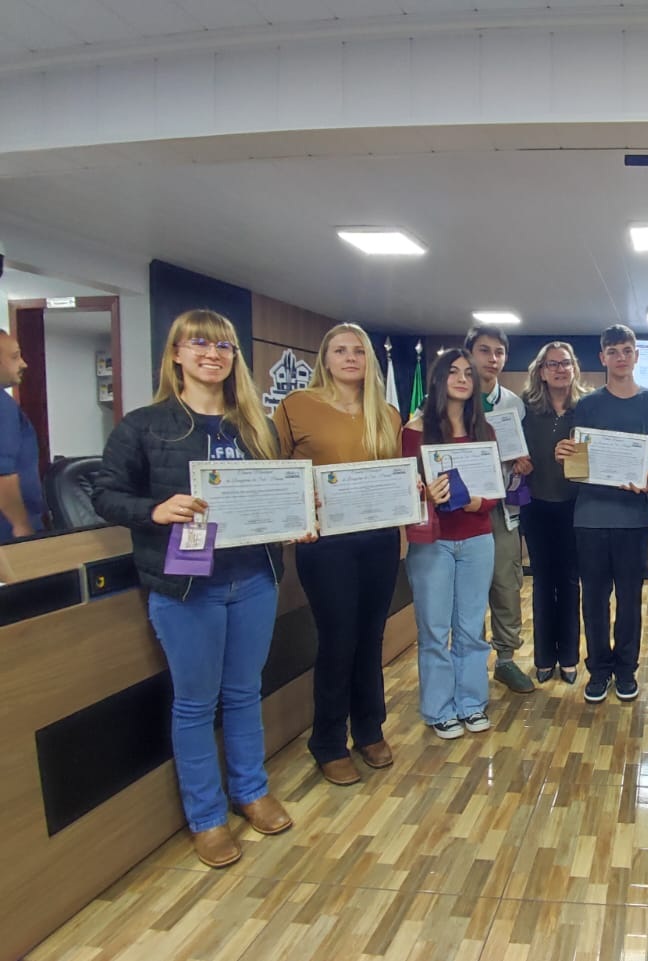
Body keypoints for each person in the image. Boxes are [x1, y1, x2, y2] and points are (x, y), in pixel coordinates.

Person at [92, 310, 291, 868]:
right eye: (199, 343)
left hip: (254, 578)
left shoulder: (256, 425)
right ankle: (207, 817)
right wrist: (154, 510)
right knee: (196, 703)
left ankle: (251, 791)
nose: (212, 353)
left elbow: (275, 492)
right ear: (176, 354)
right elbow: (104, 495)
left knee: (244, 691)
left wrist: (295, 514)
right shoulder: (143, 425)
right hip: (186, 587)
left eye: (224, 346)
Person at [274, 323, 402, 786]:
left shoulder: (387, 414)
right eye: (340, 350)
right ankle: (328, 742)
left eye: (359, 351)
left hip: (380, 538)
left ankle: (369, 729)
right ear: (325, 359)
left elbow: (393, 473)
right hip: (326, 545)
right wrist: (295, 509)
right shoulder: (296, 406)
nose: (350, 358)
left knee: (371, 636)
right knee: (338, 639)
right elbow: (275, 470)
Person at [556, 324, 648, 703]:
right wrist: (565, 456)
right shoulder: (586, 405)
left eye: (627, 350)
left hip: (633, 518)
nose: (621, 357)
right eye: (613, 351)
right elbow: (578, 463)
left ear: (637, 355)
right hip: (590, 517)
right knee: (594, 600)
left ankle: (626, 670)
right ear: (602, 357)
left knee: (631, 601)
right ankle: (599, 670)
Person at [403, 348, 500, 739]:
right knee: (434, 629)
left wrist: (479, 502)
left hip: (477, 538)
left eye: (468, 373)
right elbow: (405, 492)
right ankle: (439, 709)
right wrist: (425, 494)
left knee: (471, 628)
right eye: (453, 372)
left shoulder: (485, 431)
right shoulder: (414, 431)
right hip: (434, 541)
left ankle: (471, 703)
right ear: (438, 380)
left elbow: (493, 491)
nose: (462, 379)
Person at [464, 324, 535, 694]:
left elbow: (523, 453)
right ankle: (471, 661)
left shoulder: (514, 404)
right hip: (463, 511)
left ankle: (505, 659)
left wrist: (523, 463)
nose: (492, 359)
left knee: (506, 584)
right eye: (484, 350)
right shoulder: (452, 398)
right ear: (469, 354)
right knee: (469, 590)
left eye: (499, 352)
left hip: (502, 509)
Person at [521, 342, 589, 685]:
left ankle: (569, 658)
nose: (560, 369)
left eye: (566, 363)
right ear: (541, 371)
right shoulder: (525, 409)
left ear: (574, 368)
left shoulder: (587, 409)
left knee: (570, 581)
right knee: (543, 582)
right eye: (553, 364)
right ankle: (544, 657)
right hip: (536, 506)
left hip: (575, 506)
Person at [0, 330, 43, 542]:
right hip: (8, 533)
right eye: (15, 357)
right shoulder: (2, 406)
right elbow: (2, 474)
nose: (23, 364)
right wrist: (22, 526)